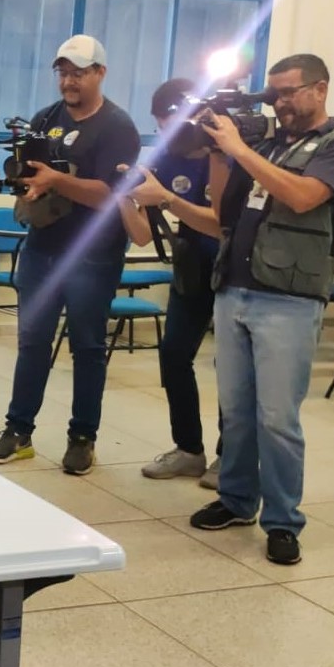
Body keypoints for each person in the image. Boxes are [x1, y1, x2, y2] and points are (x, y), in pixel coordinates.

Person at [188, 54, 334, 566]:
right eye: (274, 94)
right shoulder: (264, 144)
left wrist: (240, 148)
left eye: (289, 92)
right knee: (236, 413)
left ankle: (283, 521)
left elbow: (303, 196)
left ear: (320, 90)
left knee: (277, 418)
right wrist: (219, 153)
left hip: (288, 298)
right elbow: (225, 212)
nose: (280, 103)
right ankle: (238, 499)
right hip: (235, 288)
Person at [0, 34, 141, 475]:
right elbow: (34, 171)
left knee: (87, 347)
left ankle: (82, 438)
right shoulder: (44, 118)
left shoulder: (117, 126)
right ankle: (18, 431)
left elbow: (112, 194)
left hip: (93, 253)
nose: (69, 81)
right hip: (42, 247)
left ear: (100, 73)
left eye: (79, 72)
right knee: (32, 343)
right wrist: (29, 183)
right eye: (63, 72)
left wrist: (57, 181)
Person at [118, 78, 223, 490]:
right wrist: (125, 196)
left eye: (172, 125)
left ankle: (227, 458)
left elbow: (220, 223)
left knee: (230, 367)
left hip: (233, 268)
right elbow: (142, 235)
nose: (166, 135)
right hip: (192, 266)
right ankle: (189, 450)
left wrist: (166, 199)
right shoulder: (166, 159)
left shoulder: (226, 155)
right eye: (160, 126)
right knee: (175, 355)